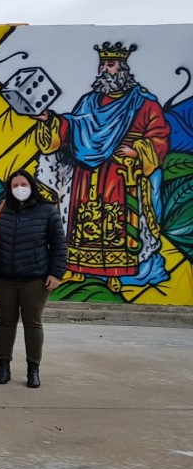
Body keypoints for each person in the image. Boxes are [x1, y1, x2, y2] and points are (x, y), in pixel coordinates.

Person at [34, 42, 170, 291]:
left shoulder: (144, 102)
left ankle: (116, 273)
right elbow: (72, 127)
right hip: (86, 174)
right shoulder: (89, 101)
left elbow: (159, 138)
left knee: (116, 225)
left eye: (110, 65)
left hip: (120, 175)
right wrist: (50, 120)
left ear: (123, 69)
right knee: (81, 223)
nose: (104, 70)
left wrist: (137, 150)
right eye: (102, 65)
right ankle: (77, 269)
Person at [0, 170, 67, 388]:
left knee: (33, 323)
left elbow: (58, 244)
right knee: (6, 322)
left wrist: (56, 273)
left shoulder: (47, 210)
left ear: (32, 185)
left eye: (23, 184)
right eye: (14, 185)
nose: (19, 188)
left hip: (35, 279)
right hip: (2, 277)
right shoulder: (0, 209)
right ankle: (3, 365)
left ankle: (33, 368)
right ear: (9, 188)